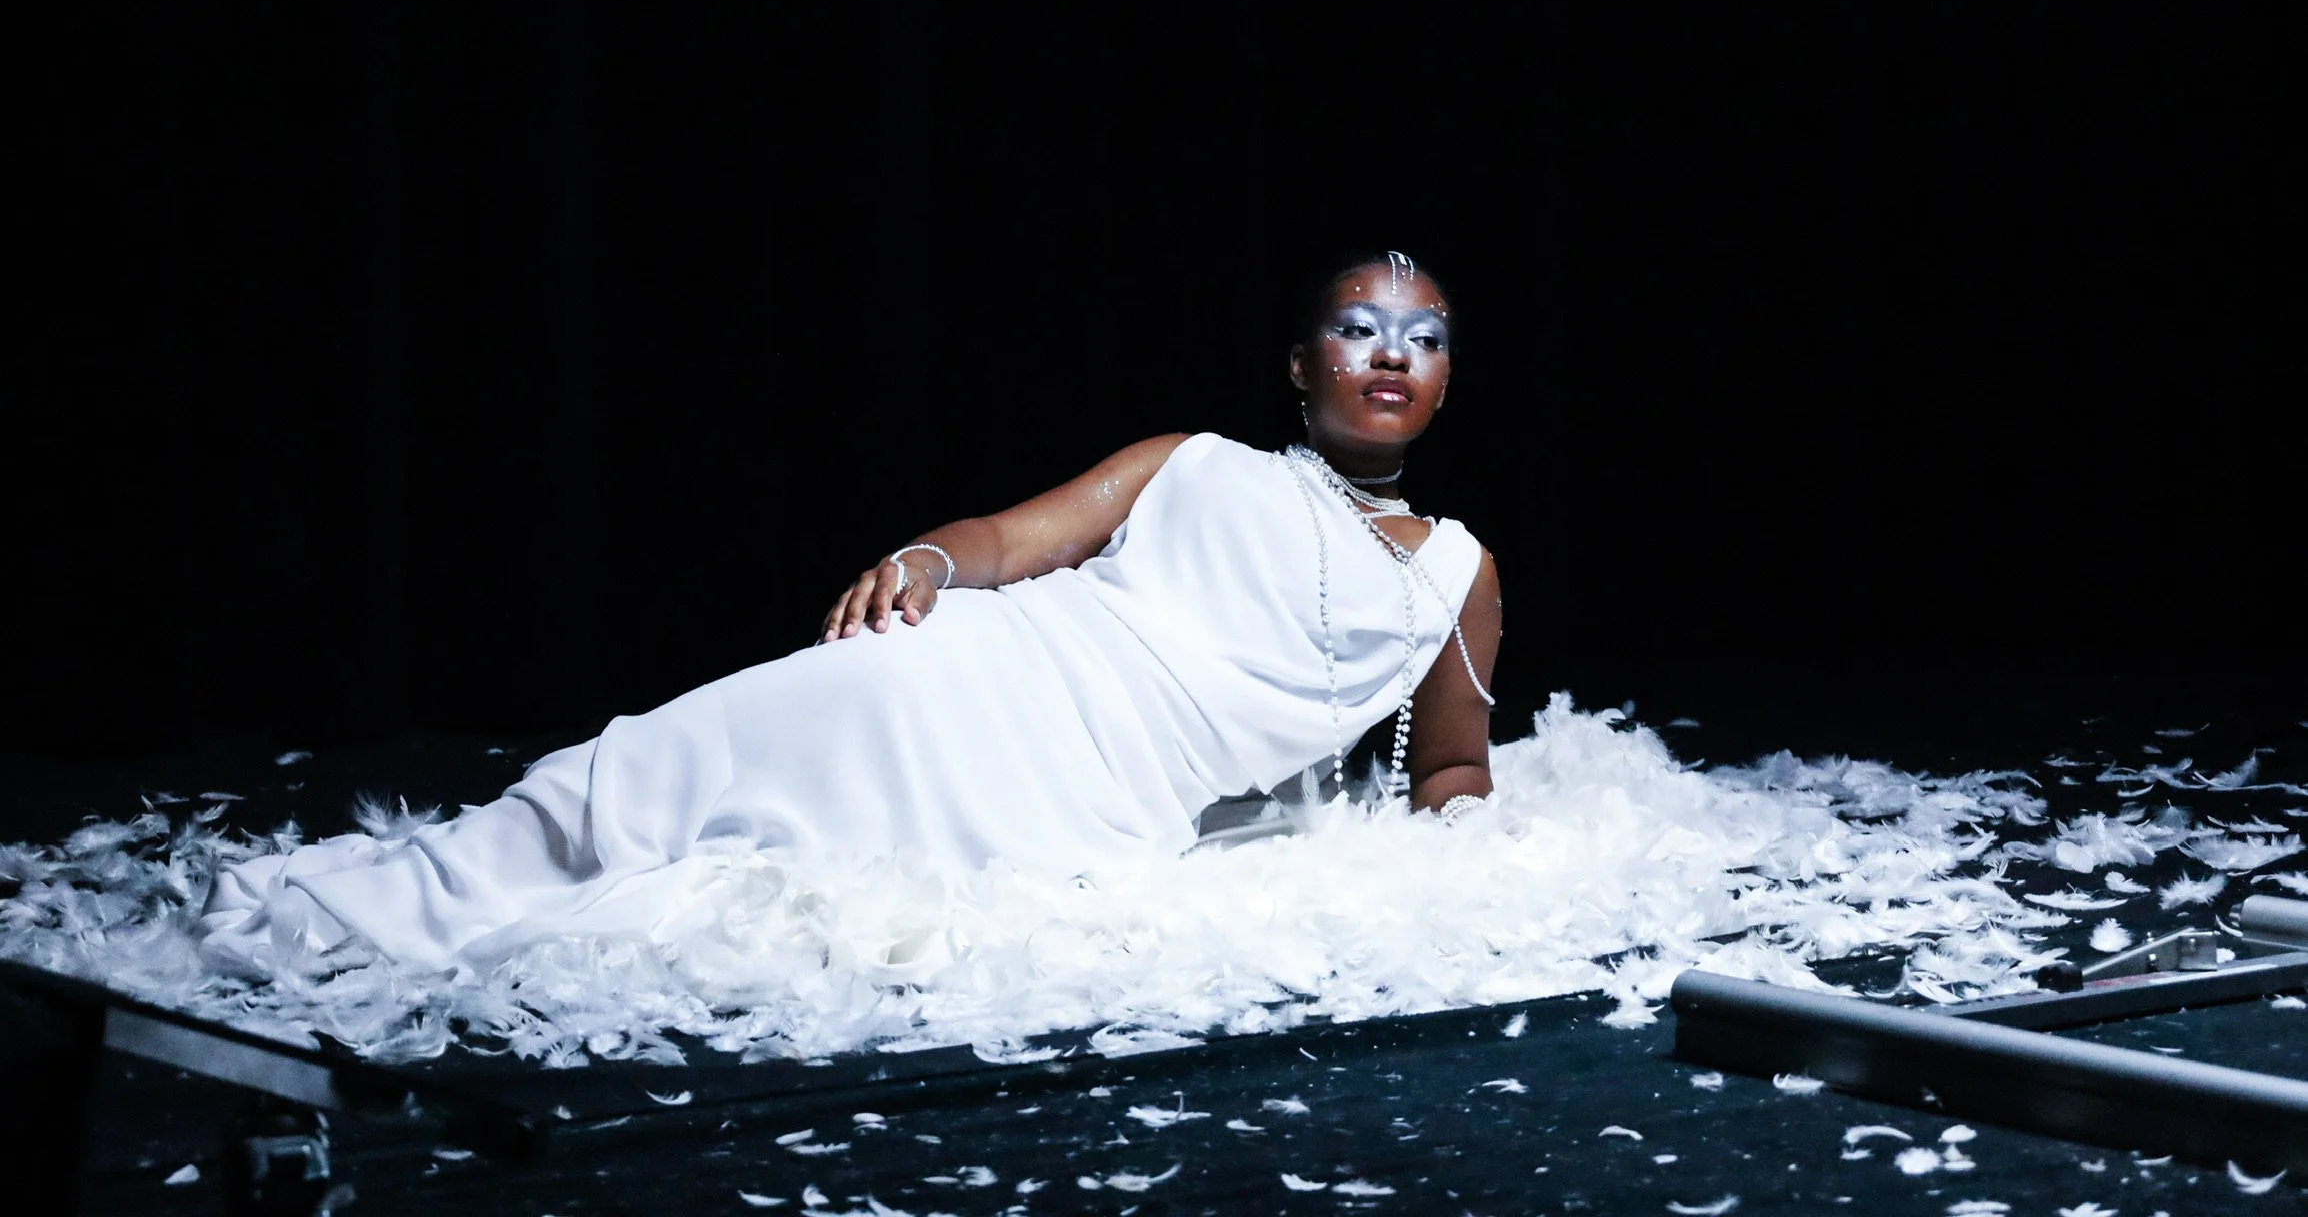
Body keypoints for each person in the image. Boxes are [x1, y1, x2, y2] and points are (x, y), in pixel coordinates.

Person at [199, 252, 1501, 974]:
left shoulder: (1456, 572)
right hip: (962, 674)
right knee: (652, 768)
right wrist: (923, 563)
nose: (1391, 352)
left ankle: (388, 936)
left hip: (1094, 804)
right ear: (1299, 363)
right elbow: (1005, 539)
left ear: (1445, 381)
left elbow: (1448, 764)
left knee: (743, 909)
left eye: (1423, 336)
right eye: (1357, 325)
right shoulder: (1195, 459)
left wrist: (1447, 886)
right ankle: (333, 914)